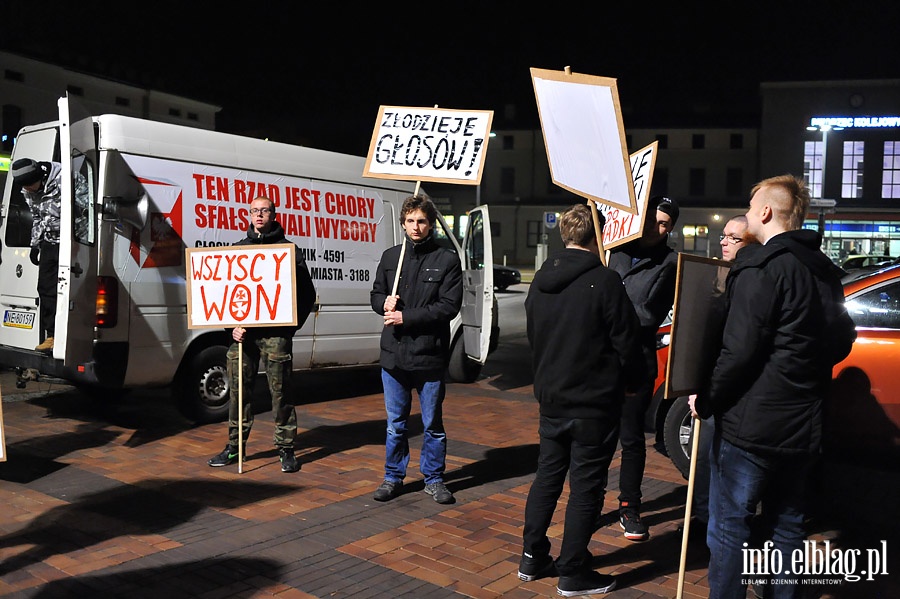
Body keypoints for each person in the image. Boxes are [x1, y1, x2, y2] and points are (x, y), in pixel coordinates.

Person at [691, 175, 856, 599]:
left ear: (765, 212)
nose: (747, 216)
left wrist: (708, 398)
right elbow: (842, 339)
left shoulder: (763, 267)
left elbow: (739, 352)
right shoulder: (825, 274)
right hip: (804, 427)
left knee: (730, 526)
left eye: (750, 209)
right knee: (787, 525)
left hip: (754, 427)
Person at [518, 204, 644, 597]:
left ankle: (532, 555)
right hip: (592, 402)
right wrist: (635, 382)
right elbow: (627, 342)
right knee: (586, 486)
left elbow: (534, 335)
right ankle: (572, 570)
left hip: (552, 397)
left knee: (548, 477)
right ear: (599, 237)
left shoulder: (541, 279)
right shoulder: (605, 281)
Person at [208, 196, 316, 473]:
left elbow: (306, 295)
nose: (259, 215)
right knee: (238, 392)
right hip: (243, 335)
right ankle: (235, 446)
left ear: (273, 214)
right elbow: (225, 294)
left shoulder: (288, 251)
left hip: (276, 335)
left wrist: (289, 327)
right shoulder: (237, 250)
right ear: (248, 214)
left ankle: (286, 448)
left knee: (281, 392)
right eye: (255, 211)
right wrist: (229, 326)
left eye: (264, 211)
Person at [369, 195, 462, 504]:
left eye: (421, 221)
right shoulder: (390, 257)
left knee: (432, 424)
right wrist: (382, 302)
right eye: (410, 221)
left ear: (431, 223)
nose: (416, 227)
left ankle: (434, 478)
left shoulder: (446, 259)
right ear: (403, 224)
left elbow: (448, 306)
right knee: (396, 425)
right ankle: (393, 476)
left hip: (429, 355)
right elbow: (376, 293)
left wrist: (406, 316)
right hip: (394, 355)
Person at [606, 194, 679, 541]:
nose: (656, 227)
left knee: (631, 438)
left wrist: (609, 307)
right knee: (595, 437)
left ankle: (629, 506)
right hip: (600, 359)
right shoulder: (614, 247)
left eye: (664, 223)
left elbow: (650, 312)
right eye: (653, 219)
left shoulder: (671, 261)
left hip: (636, 360)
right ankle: (588, 502)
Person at [684, 215, 751, 542]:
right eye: (723, 236)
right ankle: (700, 519)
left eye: (733, 238)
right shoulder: (717, 275)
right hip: (712, 383)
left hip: (731, 389)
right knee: (705, 457)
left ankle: (717, 525)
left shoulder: (753, 280)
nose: (723, 242)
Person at [11, 158, 63, 352]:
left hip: (70, 241)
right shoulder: (28, 188)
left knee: (70, 289)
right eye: (24, 186)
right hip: (49, 242)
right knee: (46, 287)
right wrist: (35, 244)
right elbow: (37, 216)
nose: (28, 190)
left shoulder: (64, 179)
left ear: (39, 177)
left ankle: (69, 333)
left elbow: (83, 209)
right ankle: (52, 335)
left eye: (30, 185)